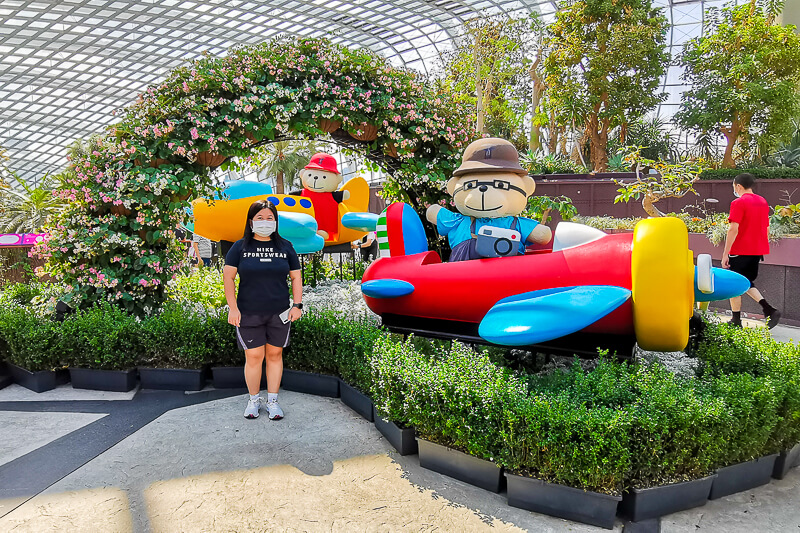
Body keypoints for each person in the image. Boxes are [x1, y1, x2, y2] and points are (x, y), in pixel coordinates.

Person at [223, 200, 303, 420]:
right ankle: (253, 400)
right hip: (248, 313)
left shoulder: (285, 246)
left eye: (270, 218)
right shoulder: (239, 247)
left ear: (275, 221)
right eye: (260, 218)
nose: (265, 222)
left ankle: (273, 401)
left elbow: (296, 277)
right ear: (251, 222)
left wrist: (297, 305)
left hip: (280, 313)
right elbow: (228, 277)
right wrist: (233, 308)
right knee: (254, 356)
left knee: (275, 354)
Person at [721, 173, 781, 329]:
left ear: (738, 186)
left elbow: (733, 229)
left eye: (734, 187)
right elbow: (766, 228)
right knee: (745, 282)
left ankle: (763, 311)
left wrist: (725, 253)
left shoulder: (738, 203)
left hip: (740, 249)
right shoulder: (762, 201)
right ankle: (745, 317)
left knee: (736, 283)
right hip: (756, 250)